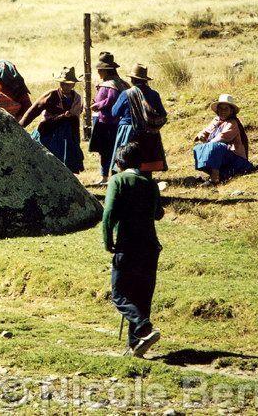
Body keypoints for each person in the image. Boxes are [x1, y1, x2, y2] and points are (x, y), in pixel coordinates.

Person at [102, 142, 163, 358]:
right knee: (142, 295)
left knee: (120, 294)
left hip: (128, 244)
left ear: (119, 163)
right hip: (150, 245)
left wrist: (107, 240)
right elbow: (158, 214)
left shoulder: (117, 180)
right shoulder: (151, 184)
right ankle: (136, 346)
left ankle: (144, 328)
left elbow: (109, 213)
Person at [19, 67, 85, 173]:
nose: (65, 86)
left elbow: (76, 116)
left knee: (68, 157)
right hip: (49, 131)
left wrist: (76, 137)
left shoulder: (77, 98)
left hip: (67, 133)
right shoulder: (51, 95)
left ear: (73, 84)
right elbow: (34, 110)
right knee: (45, 156)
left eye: (68, 84)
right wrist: (21, 125)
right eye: (62, 83)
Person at [109, 64, 168, 177]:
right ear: (145, 80)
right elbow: (163, 114)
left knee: (126, 157)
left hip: (130, 130)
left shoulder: (127, 94)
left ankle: (125, 178)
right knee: (146, 160)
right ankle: (146, 179)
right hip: (149, 132)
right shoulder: (154, 94)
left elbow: (115, 112)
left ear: (132, 79)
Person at [89, 52, 130, 184]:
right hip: (102, 121)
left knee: (110, 150)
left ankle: (112, 176)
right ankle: (104, 176)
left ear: (106, 70)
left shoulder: (112, 84)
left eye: (100, 70)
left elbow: (112, 101)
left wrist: (97, 105)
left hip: (109, 123)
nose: (98, 72)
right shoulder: (111, 83)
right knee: (104, 151)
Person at [193, 94, 253, 186]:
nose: (223, 111)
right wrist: (201, 135)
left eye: (226, 109)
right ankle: (217, 174)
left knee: (215, 147)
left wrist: (207, 144)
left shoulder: (232, 123)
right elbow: (205, 131)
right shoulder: (217, 120)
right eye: (221, 108)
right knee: (198, 148)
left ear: (231, 111)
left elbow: (220, 138)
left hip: (237, 160)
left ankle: (215, 180)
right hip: (224, 156)